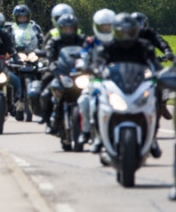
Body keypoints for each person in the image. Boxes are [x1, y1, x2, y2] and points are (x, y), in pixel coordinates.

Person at [93, 13, 161, 157]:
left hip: (139, 85)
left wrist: (160, 73)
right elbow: (98, 62)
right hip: (115, 86)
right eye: (121, 32)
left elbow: (154, 64)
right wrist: (95, 70)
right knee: (95, 100)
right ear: (115, 32)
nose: (125, 36)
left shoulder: (144, 46)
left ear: (135, 32)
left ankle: (153, 138)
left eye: (129, 32)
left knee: (157, 96)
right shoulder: (108, 46)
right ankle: (99, 137)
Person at [36, 14, 86, 133]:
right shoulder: (55, 41)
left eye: (71, 28)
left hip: (78, 73)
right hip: (60, 72)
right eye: (65, 28)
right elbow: (49, 54)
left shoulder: (82, 39)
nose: (68, 31)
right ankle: (46, 118)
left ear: (75, 28)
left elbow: (89, 52)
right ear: (60, 29)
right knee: (45, 93)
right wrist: (52, 65)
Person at [77, 9, 115, 150]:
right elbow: (83, 55)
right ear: (96, 27)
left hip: (115, 81)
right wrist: (82, 64)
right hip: (96, 79)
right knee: (84, 101)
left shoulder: (119, 42)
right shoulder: (90, 42)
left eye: (109, 26)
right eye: (103, 27)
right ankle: (86, 131)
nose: (106, 29)